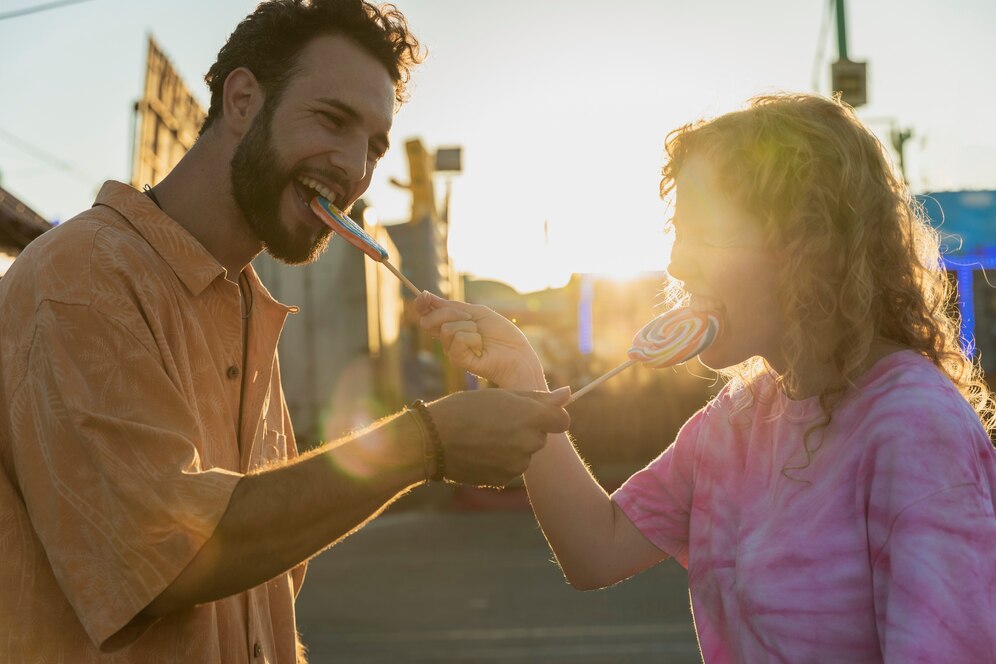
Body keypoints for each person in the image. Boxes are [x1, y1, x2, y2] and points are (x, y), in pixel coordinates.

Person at [0, 1, 570, 661]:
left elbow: (259, 601)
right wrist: (425, 444)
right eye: (332, 120)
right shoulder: (83, 276)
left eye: (375, 146)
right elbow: (170, 554)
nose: (356, 168)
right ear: (242, 100)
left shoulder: (247, 307)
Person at [418, 93, 996, 662]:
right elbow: (596, 549)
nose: (674, 262)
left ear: (807, 244)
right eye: (678, 229)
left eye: (707, 232)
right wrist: (523, 374)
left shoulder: (915, 429)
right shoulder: (737, 420)